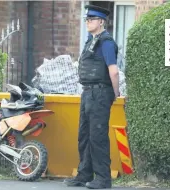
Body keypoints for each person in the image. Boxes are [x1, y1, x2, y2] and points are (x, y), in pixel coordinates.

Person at [64, 4, 120, 189]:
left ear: (101, 21)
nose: (88, 22)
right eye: (86, 19)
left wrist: (115, 93)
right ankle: (84, 174)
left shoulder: (106, 42)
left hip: (100, 93)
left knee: (98, 137)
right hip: (88, 92)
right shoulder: (90, 41)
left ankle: (103, 178)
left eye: (92, 19)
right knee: (84, 136)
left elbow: (113, 71)